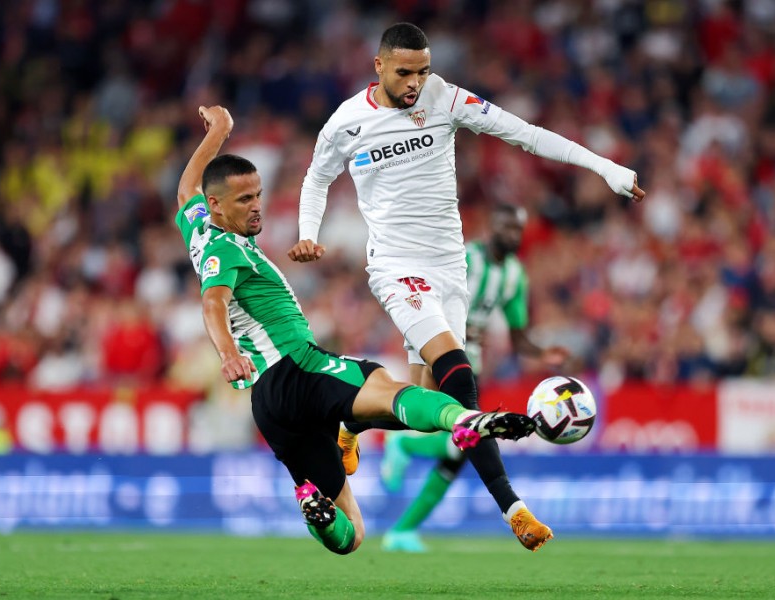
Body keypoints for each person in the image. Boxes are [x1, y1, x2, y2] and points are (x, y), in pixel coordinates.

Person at [288, 23, 645, 551]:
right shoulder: (347, 122)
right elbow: (317, 179)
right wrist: (307, 235)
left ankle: (350, 420)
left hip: (451, 270)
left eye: (423, 71)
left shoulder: (446, 98)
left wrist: (603, 167)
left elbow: (525, 132)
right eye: (404, 72)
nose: (415, 83)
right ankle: (514, 508)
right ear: (379, 66)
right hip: (396, 267)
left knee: (427, 413)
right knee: (460, 379)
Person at [175, 105, 536, 555]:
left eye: (258, 195)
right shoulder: (227, 252)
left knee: (351, 533)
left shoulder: (198, 229)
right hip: (299, 366)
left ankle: (315, 510)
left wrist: (220, 131)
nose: (256, 207)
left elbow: (186, 187)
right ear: (217, 205)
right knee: (383, 385)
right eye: (244, 200)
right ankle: (468, 419)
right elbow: (213, 301)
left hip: (268, 404)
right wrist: (227, 354)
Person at [380, 202, 569, 552]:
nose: (511, 235)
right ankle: (403, 444)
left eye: (517, 230)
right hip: (444, 354)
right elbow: (431, 298)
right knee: (463, 438)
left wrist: (542, 353)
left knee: (456, 455)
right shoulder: (465, 259)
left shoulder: (514, 275)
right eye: (505, 226)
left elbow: (517, 334)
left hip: (474, 365)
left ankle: (402, 531)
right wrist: (455, 327)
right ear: (490, 226)